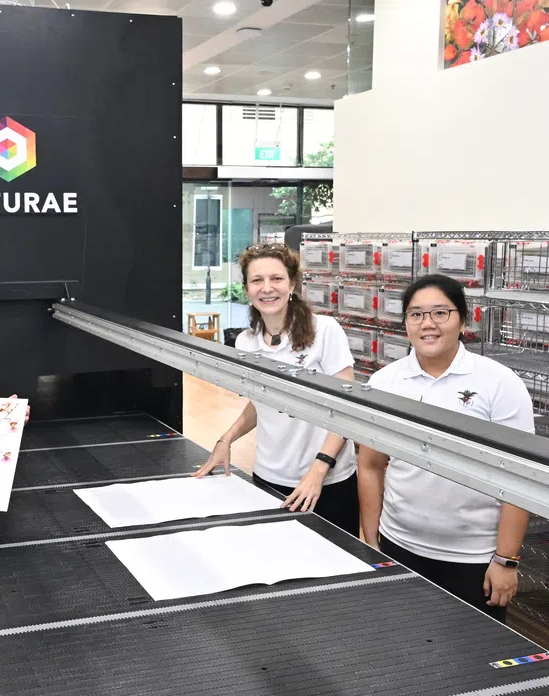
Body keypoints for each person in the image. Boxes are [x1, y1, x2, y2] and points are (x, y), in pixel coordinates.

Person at [358, 274, 534, 619]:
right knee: (400, 648)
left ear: (463, 320)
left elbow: (519, 478)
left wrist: (506, 559)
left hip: (473, 558)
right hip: (399, 544)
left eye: (441, 313)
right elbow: (371, 464)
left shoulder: (499, 383)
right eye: (416, 314)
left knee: (472, 660)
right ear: (406, 322)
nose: (428, 324)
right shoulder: (383, 383)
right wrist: (370, 539)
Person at [196, 243, 359, 534]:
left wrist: (319, 469)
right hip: (269, 475)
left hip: (327, 481)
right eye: (257, 280)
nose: (267, 288)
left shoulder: (325, 331)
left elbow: (347, 408)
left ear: (293, 283)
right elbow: (263, 403)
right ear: (247, 288)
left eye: (276, 279)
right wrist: (226, 440)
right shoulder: (246, 342)